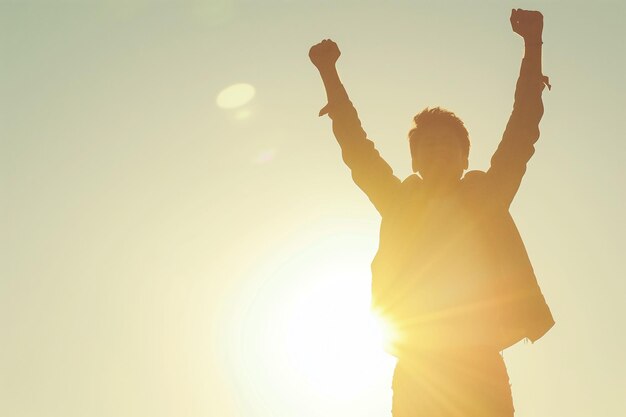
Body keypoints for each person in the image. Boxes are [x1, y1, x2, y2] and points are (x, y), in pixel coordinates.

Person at [309, 8, 554, 417]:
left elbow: (522, 128)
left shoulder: (487, 196)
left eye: (448, 146)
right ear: (415, 162)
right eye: (428, 147)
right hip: (419, 365)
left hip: (479, 364)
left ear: (464, 159)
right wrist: (328, 74)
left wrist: (532, 45)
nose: (438, 152)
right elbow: (357, 148)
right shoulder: (399, 203)